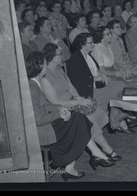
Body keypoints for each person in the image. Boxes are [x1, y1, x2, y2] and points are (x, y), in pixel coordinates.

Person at [25, 51, 115, 179]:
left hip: (47, 125)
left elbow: (44, 106)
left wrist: (60, 109)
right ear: (40, 67)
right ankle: (91, 157)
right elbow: (37, 119)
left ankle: (84, 161)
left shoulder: (34, 84)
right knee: (78, 120)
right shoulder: (32, 87)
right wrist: (59, 115)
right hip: (43, 131)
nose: (46, 67)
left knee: (78, 117)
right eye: (45, 64)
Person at [41, 43, 122, 163]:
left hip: (71, 101)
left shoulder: (59, 68)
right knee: (87, 117)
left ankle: (104, 148)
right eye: (59, 54)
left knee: (93, 109)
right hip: (61, 107)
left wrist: (78, 97)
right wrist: (75, 102)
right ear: (52, 57)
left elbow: (70, 85)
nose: (62, 56)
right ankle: (107, 149)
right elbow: (55, 102)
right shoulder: (45, 76)